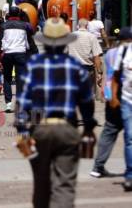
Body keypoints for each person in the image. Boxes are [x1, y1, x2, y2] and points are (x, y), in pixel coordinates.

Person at [15, 18, 97, 208]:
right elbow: (86, 101)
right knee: (65, 185)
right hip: (67, 129)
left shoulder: (33, 64)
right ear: (65, 42)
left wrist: (22, 130)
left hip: (40, 129)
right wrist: (88, 127)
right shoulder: (75, 66)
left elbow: (23, 101)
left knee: (41, 183)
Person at [90, 27, 131, 178]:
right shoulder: (126, 53)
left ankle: (98, 166)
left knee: (109, 131)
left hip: (112, 95)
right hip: (125, 94)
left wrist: (107, 95)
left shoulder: (110, 54)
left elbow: (109, 77)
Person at [0, 6, 38, 112]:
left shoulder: (3, 26)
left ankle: (8, 104)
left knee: (7, 78)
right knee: (20, 79)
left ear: (9, 14)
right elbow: (31, 32)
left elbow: (0, 43)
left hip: (7, 54)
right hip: (21, 53)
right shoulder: (25, 25)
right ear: (19, 14)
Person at [111, 26, 132, 191]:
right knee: (130, 138)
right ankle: (130, 175)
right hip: (127, 101)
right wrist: (114, 96)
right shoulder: (123, 53)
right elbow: (115, 76)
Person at [68, 18, 103, 91]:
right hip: (87, 70)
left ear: (78, 26)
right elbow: (96, 56)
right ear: (87, 26)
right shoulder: (92, 37)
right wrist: (99, 72)